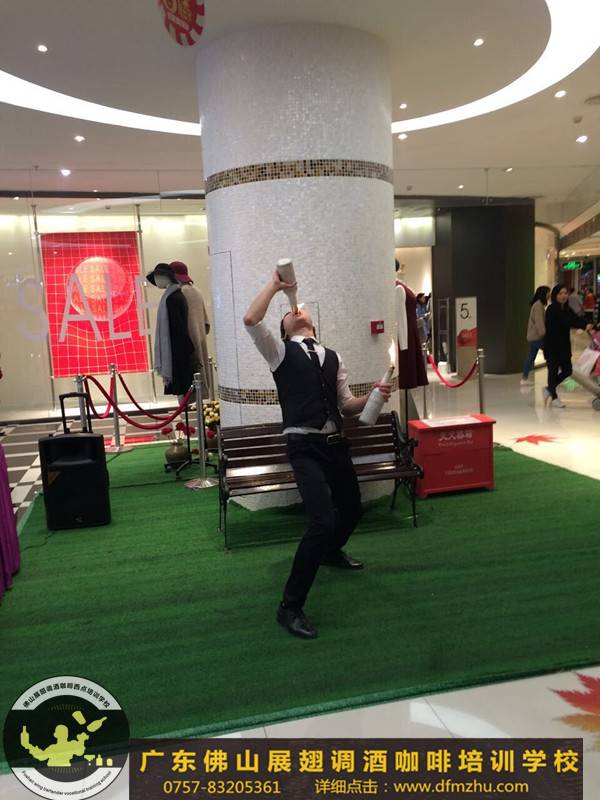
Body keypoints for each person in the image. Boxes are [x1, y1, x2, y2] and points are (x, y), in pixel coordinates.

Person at [243, 269, 391, 640]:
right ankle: (289, 606)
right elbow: (250, 319)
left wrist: (373, 395)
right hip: (304, 447)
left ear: (311, 322)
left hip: (335, 444)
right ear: (284, 330)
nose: (296, 310)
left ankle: (329, 552)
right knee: (322, 521)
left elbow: (347, 406)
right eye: (289, 313)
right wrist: (276, 287)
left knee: (352, 509)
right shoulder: (279, 353)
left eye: (299, 309)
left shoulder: (333, 357)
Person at [147, 263, 196, 402]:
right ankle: (184, 410)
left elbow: (178, 327)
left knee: (182, 387)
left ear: (166, 277)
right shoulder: (174, 295)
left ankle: (185, 411)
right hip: (178, 347)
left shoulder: (172, 298)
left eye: (158, 276)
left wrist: (185, 347)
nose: (156, 280)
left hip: (177, 349)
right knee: (183, 387)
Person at [542, 283, 593, 408]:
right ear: (555, 295)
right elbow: (567, 321)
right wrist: (584, 326)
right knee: (553, 371)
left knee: (567, 370)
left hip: (564, 345)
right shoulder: (552, 309)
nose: (564, 296)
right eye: (560, 294)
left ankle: (549, 389)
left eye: (565, 293)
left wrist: (589, 324)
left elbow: (576, 318)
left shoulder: (566, 308)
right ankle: (554, 397)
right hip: (552, 346)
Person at [170, 261, 211, 398]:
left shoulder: (178, 294)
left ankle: (188, 404)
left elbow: (176, 326)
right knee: (200, 376)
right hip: (200, 341)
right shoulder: (197, 292)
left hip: (185, 345)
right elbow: (206, 324)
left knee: (187, 385)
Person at [521, 285, 550, 386]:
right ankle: (553, 375)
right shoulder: (538, 305)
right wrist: (543, 333)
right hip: (537, 337)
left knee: (531, 357)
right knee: (550, 352)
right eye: (548, 293)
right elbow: (539, 321)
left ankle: (524, 378)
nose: (549, 295)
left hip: (533, 337)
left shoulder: (538, 305)